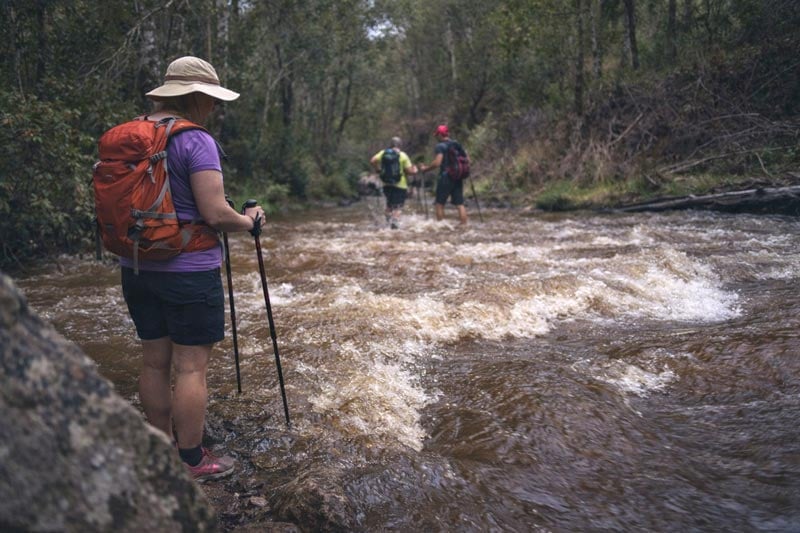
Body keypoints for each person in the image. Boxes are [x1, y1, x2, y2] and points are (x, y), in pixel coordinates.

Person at [119, 56, 264, 482]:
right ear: (198, 96)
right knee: (190, 368)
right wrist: (249, 221)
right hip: (188, 270)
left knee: (153, 362)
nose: (214, 108)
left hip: (137, 265)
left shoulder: (134, 134)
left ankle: (159, 447)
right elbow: (216, 214)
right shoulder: (195, 140)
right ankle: (192, 460)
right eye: (213, 100)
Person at [418, 124, 469, 226]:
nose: (437, 137)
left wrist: (425, 169)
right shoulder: (456, 144)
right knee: (460, 204)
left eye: (437, 135)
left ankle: (441, 226)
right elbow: (467, 159)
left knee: (439, 204)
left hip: (446, 177)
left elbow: (437, 163)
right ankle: (464, 226)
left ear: (440, 135)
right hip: (458, 176)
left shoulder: (440, 146)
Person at [370, 137, 418, 229]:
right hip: (400, 185)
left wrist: (378, 169)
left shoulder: (383, 153)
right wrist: (415, 170)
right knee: (397, 207)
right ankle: (394, 225)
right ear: (400, 145)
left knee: (389, 205)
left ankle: (387, 223)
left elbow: (372, 160)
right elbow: (409, 171)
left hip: (386, 184)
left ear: (390, 145)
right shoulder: (403, 155)